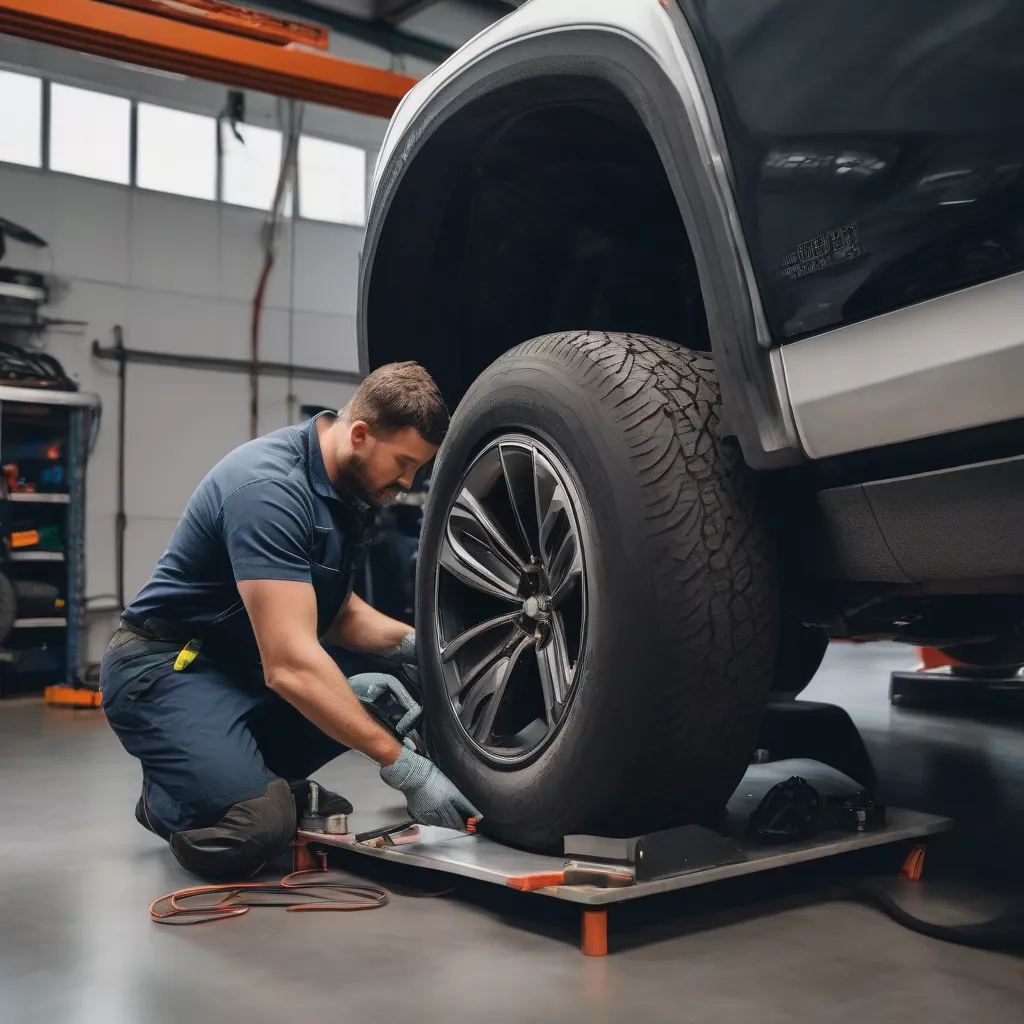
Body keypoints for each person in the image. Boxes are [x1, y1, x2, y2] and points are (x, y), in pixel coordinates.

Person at [100, 362, 480, 880]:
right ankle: (171, 803)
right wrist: (405, 767)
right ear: (362, 435)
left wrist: (421, 647)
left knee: (407, 677)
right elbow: (289, 666)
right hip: (170, 667)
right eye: (404, 464)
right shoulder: (268, 489)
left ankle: (231, 778)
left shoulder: (352, 485)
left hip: (244, 664)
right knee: (262, 826)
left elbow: (338, 612)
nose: (408, 481)